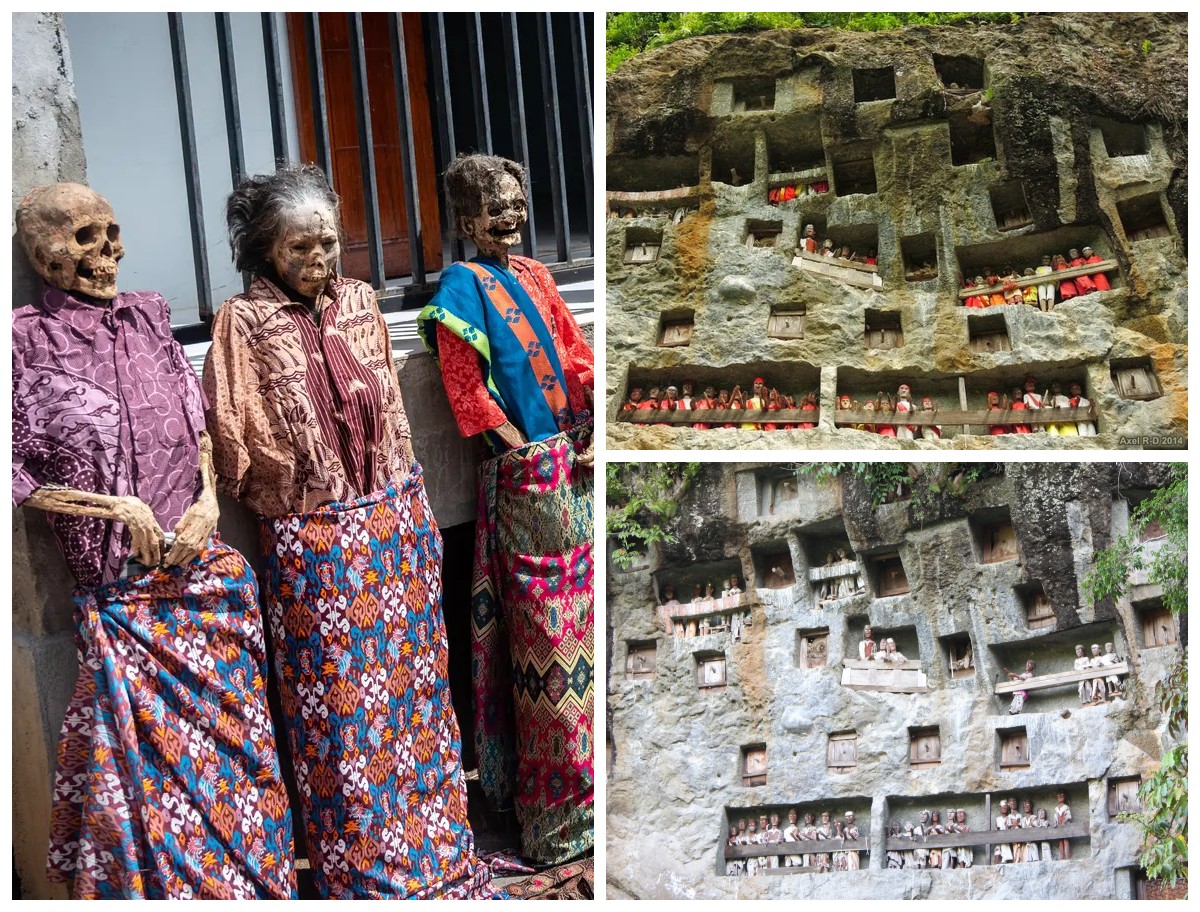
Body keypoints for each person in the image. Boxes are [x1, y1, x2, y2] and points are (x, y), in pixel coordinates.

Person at [204, 165, 492, 898]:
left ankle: (437, 851)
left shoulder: (362, 302)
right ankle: (366, 871)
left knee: (416, 700)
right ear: (265, 249)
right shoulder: (243, 323)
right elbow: (234, 443)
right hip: (316, 546)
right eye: (299, 247)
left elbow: (393, 417)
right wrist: (303, 493)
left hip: (395, 530)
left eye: (327, 244)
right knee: (340, 718)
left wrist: (414, 510)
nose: (318, 261)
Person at [15, 183, 295, 899]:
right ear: (39, 252)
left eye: (112, 234)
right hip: (120, 605)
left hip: (208, 595)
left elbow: (198, 424)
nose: (110, 254)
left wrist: (207, 503)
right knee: (152, 799)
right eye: (84, 239)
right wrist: (115, 508)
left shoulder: (149, 315)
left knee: (240, 768)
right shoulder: (20, 342)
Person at [417, 154, 594, 869]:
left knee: (585, 632)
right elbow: (470, 397)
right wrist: (530, 459)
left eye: (517, 203)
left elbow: (576, 355)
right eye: (496, 209)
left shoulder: (535, 276)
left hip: (575, 468)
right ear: (465, 221)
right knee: (547, 642)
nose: (511, 218)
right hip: (530, 481)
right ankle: (557, 822)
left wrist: (590, 433)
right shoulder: (461, 286)